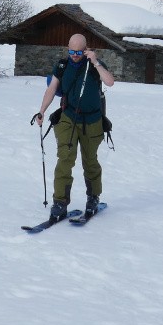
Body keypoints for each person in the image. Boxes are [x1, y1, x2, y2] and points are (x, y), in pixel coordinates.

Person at [31, 33, 114, 221]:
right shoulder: (62, 66)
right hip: (68, 118)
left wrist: (96, 62)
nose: (75, 55)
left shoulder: (94, 67)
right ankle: (60, 203)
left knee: (90, 161)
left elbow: (110, 81)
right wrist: (42, 110)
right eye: (71, 51)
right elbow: (52, 88)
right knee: (65, 160)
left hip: (92, 121)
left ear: (85, 50)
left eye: (78, 51)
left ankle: (93, 198)